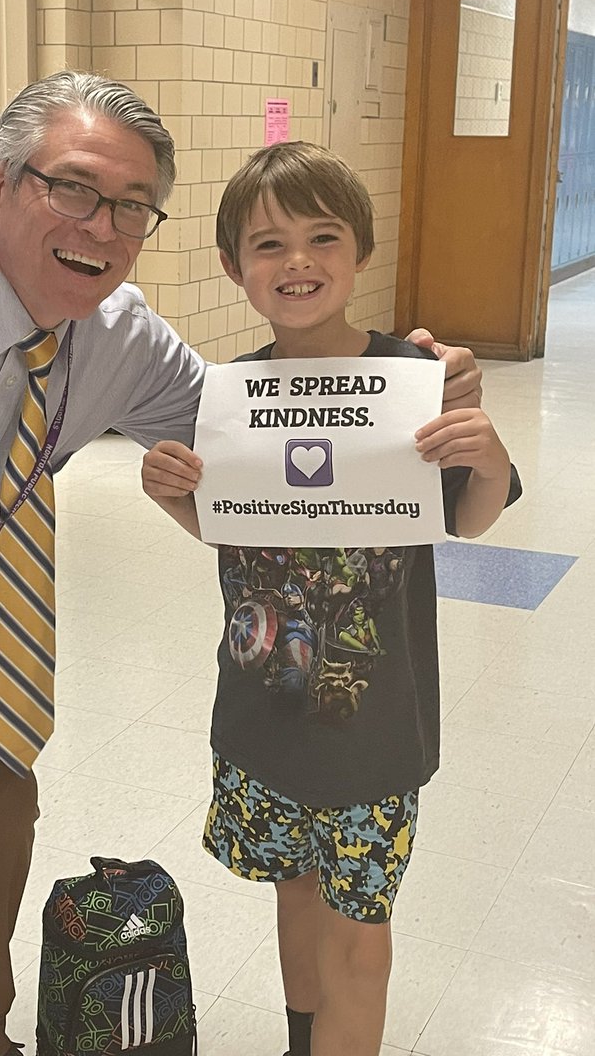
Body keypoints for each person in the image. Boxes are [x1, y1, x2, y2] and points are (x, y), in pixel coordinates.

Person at [0, 73, 482, 1056]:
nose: (100, 226)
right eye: (71, 188)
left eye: (131, 208)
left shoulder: (119, 340)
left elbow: (253, 438)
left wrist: (381, 393)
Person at [140, 141, 521, 1056]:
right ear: (232, 266)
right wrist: (179, 497)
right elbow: (237, 530)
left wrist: (485, 448)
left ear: (361, 252)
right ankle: (300, 1040)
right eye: (268, 245)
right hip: (263, 706)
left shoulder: (410, 383)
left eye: (323, 237)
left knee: (360, 934)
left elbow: (471, 520)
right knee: (294, 896)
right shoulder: (230, 396)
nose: (298, 262)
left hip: (374, 724)